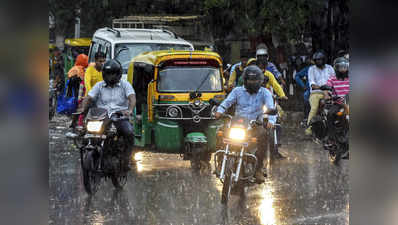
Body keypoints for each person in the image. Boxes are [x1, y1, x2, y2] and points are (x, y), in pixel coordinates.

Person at [215, 65, 276, 182]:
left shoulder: (265, 93)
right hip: (237, 124)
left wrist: (271, 121)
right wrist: (219, 111)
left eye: (255, 80)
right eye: (250, 80)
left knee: (264, 135)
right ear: (245, 80)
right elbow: (226, 103)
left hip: (254, 125)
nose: (252, 82)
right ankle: (220, 162)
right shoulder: (237, 91)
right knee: (220, 132)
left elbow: (270, 108)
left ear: (260, 81)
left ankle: (258, 169)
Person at [78, 59, 137, 168]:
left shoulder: (125, 85)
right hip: (102, 117)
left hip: (119, 117)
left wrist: (129, 110)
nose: (110, 77)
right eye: (108, 74)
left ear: (118, 74)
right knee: (85, 133)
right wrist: (82, 108)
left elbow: (132, 98)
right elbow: (89, 97)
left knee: (129, 132)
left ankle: (126, 159)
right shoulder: (99, 85)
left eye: (113, 74)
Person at [305, 51, 335, 135]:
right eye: (316, 60)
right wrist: (322, 87)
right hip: (316, 93)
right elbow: (312, 84)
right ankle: (309, 127)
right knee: (314, 108)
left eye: (320, 60)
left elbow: (334, 79)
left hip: (329, 92)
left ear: (324, 60)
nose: (318, 62)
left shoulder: (330, 68)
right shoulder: (312, 69)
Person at [294, 57, 313, 123]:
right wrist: (303, 85)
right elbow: (297, 76)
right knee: (306, 96)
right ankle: (306, 117)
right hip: (310, 90)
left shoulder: (325, 69)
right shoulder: (308, 69)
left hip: (322, 90)